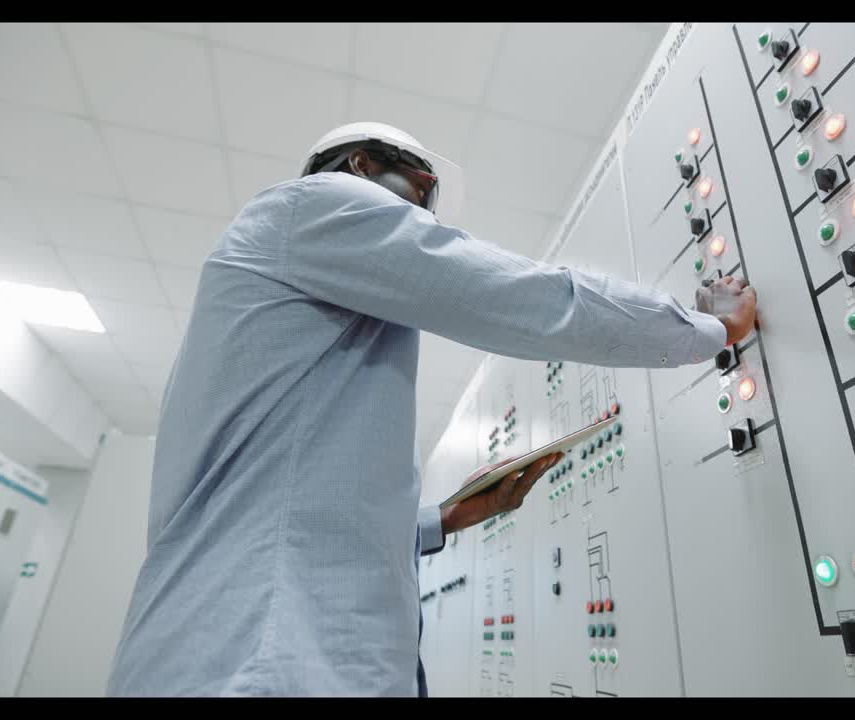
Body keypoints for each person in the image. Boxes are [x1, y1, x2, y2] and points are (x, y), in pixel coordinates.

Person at [105, 122, 757, 697]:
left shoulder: (269, 276)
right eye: (419, 187)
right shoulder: (316, 204)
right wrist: (702, 330)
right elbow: (515, 298)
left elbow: (274, 501)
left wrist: (440, 520)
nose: (424, 207)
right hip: (259, 664)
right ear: (359, 165)